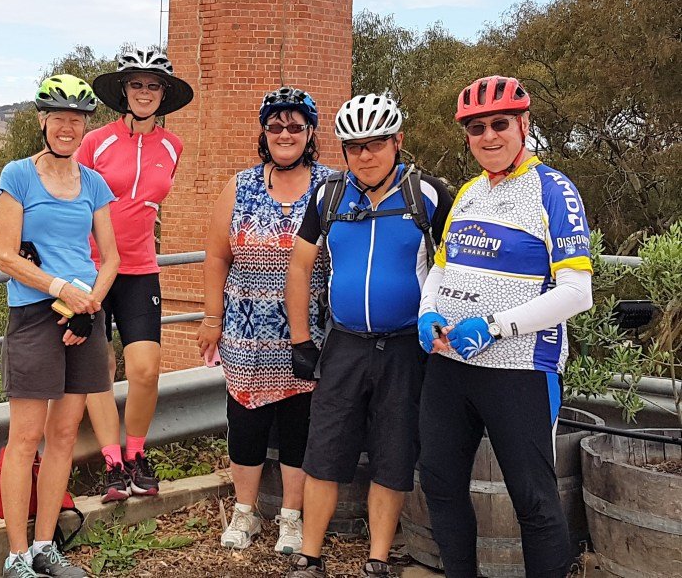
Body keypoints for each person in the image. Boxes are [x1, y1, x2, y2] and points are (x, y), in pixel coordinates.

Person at [416, 76, 594, 578]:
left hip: (520, 370)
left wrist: (496, 327)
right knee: (440, 484)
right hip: (450, 363)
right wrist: (427, 310)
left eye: (500, 124)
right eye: (477, 128)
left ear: (524, 124)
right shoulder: (469, 192)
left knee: (533, 499)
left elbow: (577, 293)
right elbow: (442, 268)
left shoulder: (554, 190)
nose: (489, 136)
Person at [284, 94, 452, 578]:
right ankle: (309, 556)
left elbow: (460, 263)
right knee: (323, 452)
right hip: (344, 343)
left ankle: (377, 560)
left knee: (393, 456)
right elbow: (300, 265)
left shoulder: (427, 194)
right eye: (354, 147)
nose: (365, 155)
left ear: (398, 142)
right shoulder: (329, 195)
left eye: (375, 144)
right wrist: (301, 339)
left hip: (405, 346)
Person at [197, 87, 334, 554]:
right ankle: (246, 511)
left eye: (295, 126)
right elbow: (217, 256)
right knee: (246, 423)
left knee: (299, 425)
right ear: (264, 133)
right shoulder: (240, 185)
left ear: (310, 133)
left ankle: (292, 518)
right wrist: (211, 318)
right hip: (246, 332)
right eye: (276, 126)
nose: (285, 134)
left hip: (308, 333)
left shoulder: (331, 186)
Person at [0, 74, 120, 578]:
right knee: (26, 436)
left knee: (64, 434)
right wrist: (60, 289)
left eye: (77, 119)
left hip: (84, 317)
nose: (68, 127)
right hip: (34, 314)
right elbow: (5, 255)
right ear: (42, 121)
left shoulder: (94, 183)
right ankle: (17, 556)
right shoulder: (18, 175)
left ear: (85, 126)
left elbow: (111, 258)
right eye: (59, 118)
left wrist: (89, 305)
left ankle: (46, 546)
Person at [75, 49, 193, 502]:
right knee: (99, 368)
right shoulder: (96, 142)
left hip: (141, 269)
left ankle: (136, 454)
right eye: (136, 84)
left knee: (145, 369)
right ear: (124, 91)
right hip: (92, 268)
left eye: (153, 85)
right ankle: (111, 463)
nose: (144, 92)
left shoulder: (173, 146)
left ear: (164, 94)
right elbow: (71, 196)